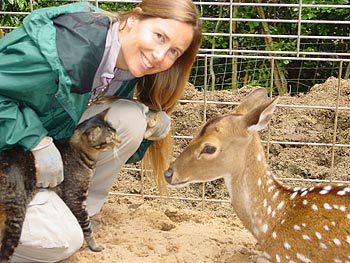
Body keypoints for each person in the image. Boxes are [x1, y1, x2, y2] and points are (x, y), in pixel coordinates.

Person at [0, 0, 202, 261]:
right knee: (60, 242)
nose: (160, 56)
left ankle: (74, 210)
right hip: (10, 157)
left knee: (131, 117)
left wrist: (148, 131)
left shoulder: (123, 66)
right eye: (159, 36)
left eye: (174, 51)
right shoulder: (67, 47)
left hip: (21, 158)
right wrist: (35, 141)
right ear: (134, 19)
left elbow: (114, 148)